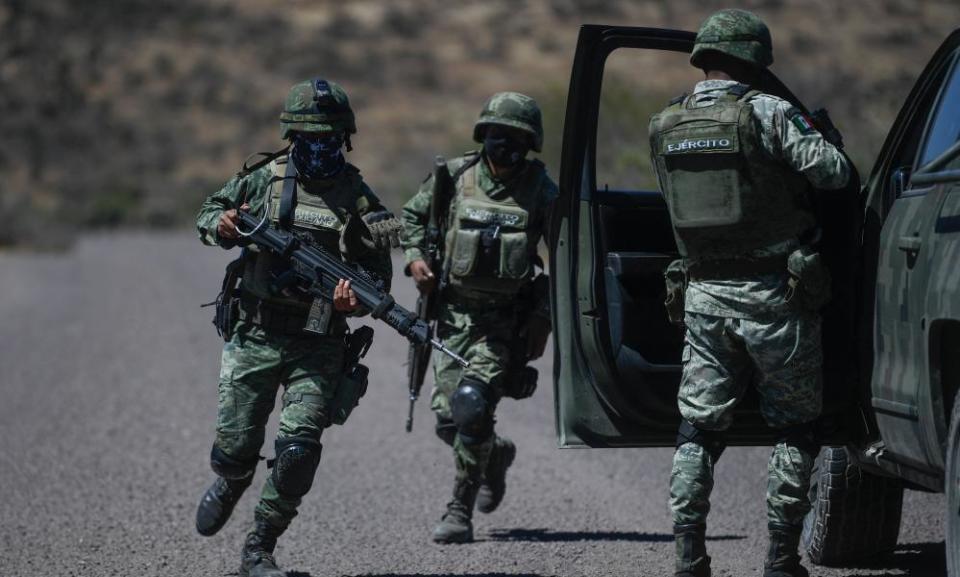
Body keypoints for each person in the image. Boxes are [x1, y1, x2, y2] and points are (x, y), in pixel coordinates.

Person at [647, 10, 851, 577]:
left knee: (697, 429)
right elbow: (835, 175)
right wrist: (824, 138)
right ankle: (781, 559)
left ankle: (689, 556)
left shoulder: (663, 122)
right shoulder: (770, 111)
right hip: (775, 295)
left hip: (703, 294)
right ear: (754, 60)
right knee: (793, 427)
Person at [194, 78, 401, 577]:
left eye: (330, 136)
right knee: (235, 446)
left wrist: (351, 302)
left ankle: (259, 549)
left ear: (345, 137)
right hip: (257, 333)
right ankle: (233, 475)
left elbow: (377, 277)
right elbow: (207, 214)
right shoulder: (264, 178)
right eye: (310, 136)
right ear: (292, 135)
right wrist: (221, 225)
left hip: (319, 341)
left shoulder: (360, 200)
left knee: (298, 451)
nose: (321, 146)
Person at [401, 92, 557, 543]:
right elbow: (412, 218)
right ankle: (494, 455)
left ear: (530, 144)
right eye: (496, 135)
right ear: (482, 135)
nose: (504, 144)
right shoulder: (453, 176)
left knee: (471, 406)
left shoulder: (542, 191)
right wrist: (415, 259)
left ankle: (458, 510)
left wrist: (543, 318)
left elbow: (564, 258)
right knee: (449, 421)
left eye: (516, 138)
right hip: (452, 317)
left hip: (502, 324)